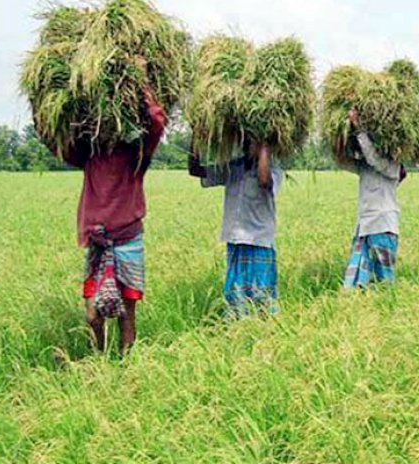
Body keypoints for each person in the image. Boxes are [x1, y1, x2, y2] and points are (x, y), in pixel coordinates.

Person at [59, 57, 167, 354]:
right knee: (93, 315)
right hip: (97, 242)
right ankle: (98, 359)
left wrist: (142, 80)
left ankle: (126, 364)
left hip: (128, 239)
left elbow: (157, 123)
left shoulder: (136, 155)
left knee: (126, 314)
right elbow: (57, 139)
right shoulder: (88, 155)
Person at [189, 142, 283, 318]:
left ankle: (264, 329)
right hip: (235, 240)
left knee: (261, 293)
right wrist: (196, 138)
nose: (248, 145)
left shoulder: (275, 170)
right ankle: (236, 325)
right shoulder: (233, 168)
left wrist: (264, 148)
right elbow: (196, 171)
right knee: (235, 293)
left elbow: (264, 180)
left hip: (259, 241)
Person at [339, 107, 405, 288]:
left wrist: (359, 129)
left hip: (383, 227)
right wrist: (341, 138)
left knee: (383, 283)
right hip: (364, 228)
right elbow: (344, 161)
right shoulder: (366, 166)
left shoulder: (392, 167)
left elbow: (373, 158)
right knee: (355, 285)